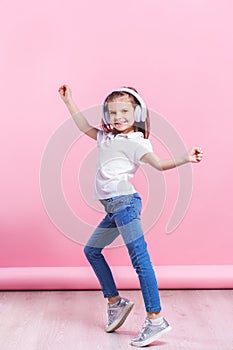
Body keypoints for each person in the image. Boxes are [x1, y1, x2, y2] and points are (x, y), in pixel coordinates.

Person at [58, 84, 203, 347]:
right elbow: (82, 126)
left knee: (140, 260)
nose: (118, 117)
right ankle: (115, 302)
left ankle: (156, 319)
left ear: (137, 113)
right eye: (112, 112)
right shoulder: (107, 137)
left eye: (124, 111)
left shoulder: (136, 142)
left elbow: (158, 165)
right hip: (113, 208)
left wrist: (184, 158)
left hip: (125, 205)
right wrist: (69, 101)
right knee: (91, 251)